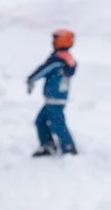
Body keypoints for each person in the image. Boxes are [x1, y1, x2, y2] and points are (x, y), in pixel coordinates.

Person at [27, 29, 78, 157]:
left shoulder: (57, 60)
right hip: (59, 96)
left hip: (54, 97)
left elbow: (43, 70)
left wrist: (31, 79)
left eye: (55, 39)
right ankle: (48, 145)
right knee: (41, 120)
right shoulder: (68, 58)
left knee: (57, 123)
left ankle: (68, 148)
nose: (53, 42)